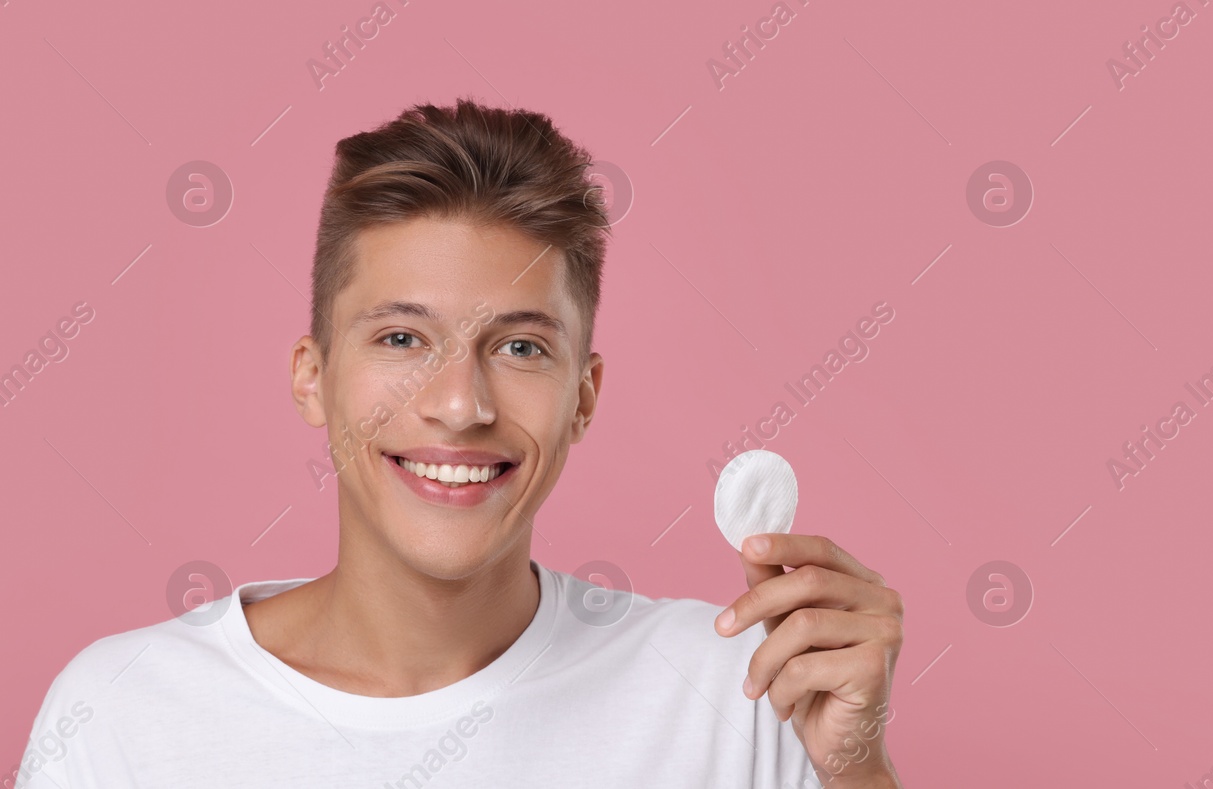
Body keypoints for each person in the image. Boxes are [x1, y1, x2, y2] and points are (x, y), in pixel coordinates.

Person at [14, 98, 904, 788]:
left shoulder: (733, 692)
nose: (459, 403)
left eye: (520, 347)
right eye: (402, 339)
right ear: (312, 377)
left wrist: (854, 768)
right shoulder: (123, 713)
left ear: (583, 397)